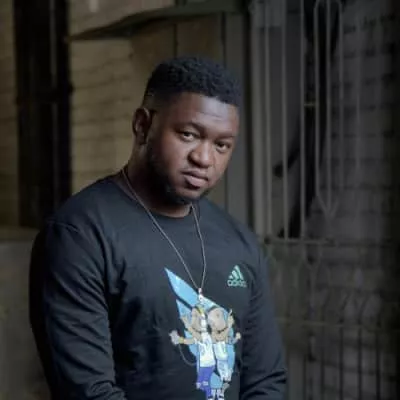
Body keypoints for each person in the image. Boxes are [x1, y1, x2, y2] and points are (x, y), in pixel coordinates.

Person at [29, 56, 287, 400]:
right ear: (142, 126)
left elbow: (265, 381)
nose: (204, 158)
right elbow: (89, 392)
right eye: (188, 135)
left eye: (221, 145)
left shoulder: (239, 242)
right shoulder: (79, 236)